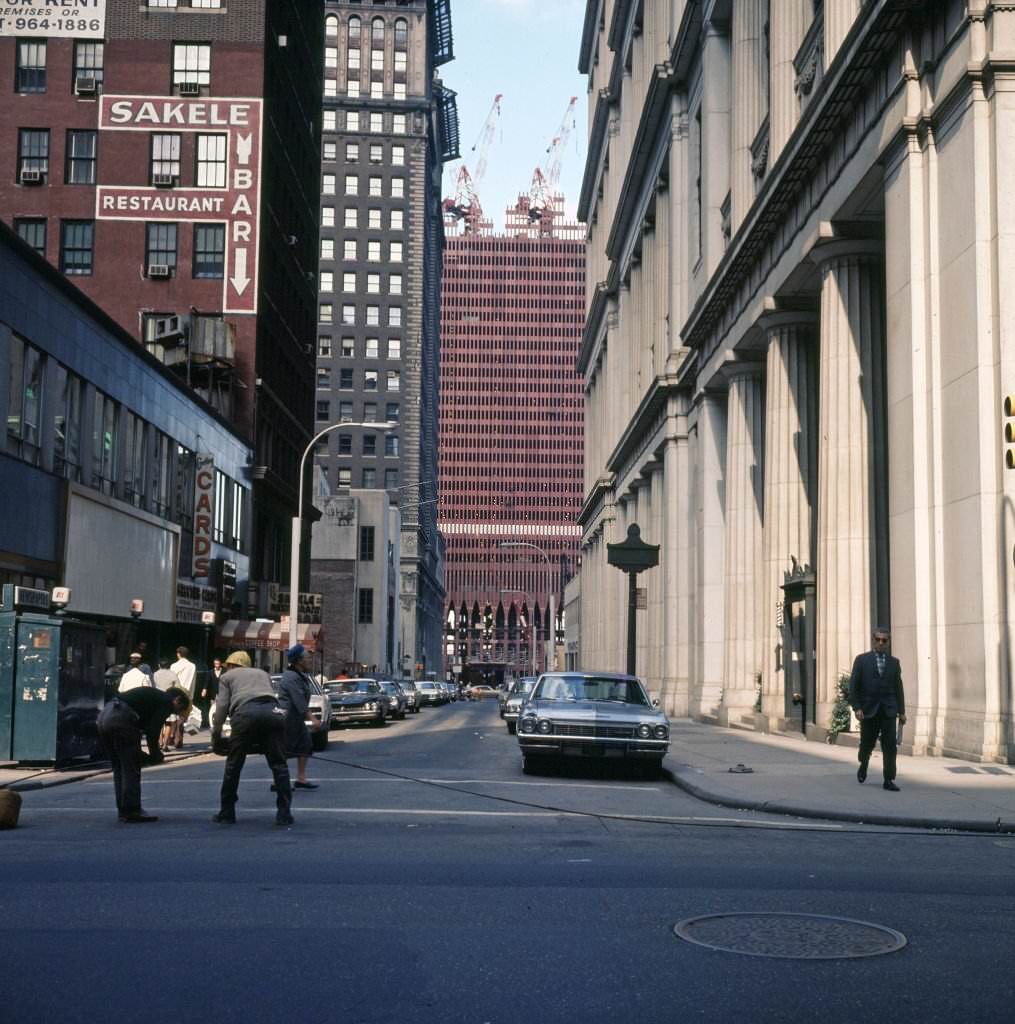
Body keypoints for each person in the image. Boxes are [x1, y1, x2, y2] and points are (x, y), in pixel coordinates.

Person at [211, 650, 294, 826]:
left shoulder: (227, 677)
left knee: (234, 765)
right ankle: (284, 813)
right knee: (279, 765)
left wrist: (216, 734)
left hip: (245, 714)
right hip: (273, 712)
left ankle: (227, 812)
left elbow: (222, 706)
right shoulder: (263, 673)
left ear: (232, 665)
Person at [97, 686, 191, 822]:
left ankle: (123, 809)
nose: (175, 712)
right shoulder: (166, 702)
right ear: (177, 700)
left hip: (105, 716)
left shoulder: (153, 696)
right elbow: (153, 731)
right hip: (122, 718)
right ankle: (133, 810)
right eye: (179, 709)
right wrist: (155, 755)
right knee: (131, 767)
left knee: (119, 766)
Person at [849, 627, 906, 791]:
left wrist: (901, 712)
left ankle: (888, 779)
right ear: (873, 641)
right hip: (868, 710)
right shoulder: (861, 660)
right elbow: (854, 686)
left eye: (884, 640)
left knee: (890, 746)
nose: (881, 643)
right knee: (867, 743)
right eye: (878, 640)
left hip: (888, 710)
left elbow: (898, 688)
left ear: (888, 643)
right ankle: (864, 763)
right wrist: (857, 707)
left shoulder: (894, 663)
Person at [276, 644, 319, 790]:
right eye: (307, 657)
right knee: (285, 750)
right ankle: (279, 781)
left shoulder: (300, 675)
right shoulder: (291, 677)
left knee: (305, 745)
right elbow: (298, 700)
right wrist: (312, 718)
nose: (309, 659)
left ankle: (301, 778)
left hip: (297, 719)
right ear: (299, 661)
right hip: (288, 718)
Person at [169, 646, 197, 748]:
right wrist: (191, 696)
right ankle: (179, 739)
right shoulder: (192, 666)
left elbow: (171, 680)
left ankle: (171, 737)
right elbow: (193, 682)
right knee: (182, 717)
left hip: (175, 693)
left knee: (172, 716)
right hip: (187, 693)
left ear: (178, 654)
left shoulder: (174, 666)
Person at [196, 657, 223, 730]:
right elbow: (206, 682)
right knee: (212, 709)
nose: (216, 665)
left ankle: (220, 722)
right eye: (215, 664)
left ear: (220, 664)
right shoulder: (210, 672)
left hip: (222, 693)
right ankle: (212, 722)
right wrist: (204, 689)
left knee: (221, 708)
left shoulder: (224, 672)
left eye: (218, 663)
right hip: (213, 694)